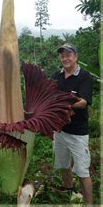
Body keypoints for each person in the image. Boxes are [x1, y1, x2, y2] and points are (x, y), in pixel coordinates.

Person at [52, 43, 93, 204]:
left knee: (82, 171)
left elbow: (83, 102)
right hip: (60, 130)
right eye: (62, 55)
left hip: (78, 133)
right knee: (63, 164)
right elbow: (49, 97)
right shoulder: (57, 76)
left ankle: (89, 203)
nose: (65, 58)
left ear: (76, 57)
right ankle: (69, 191)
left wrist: (64, 106)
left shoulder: (84, 76)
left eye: (69, 55)